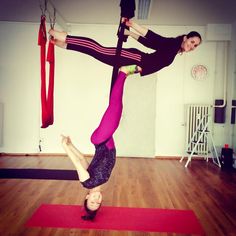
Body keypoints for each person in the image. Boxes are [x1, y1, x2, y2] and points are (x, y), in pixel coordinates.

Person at [61, 65, 138, 220]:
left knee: (116, 106)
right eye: (98, 203)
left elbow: (77, 162)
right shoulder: (98, 183)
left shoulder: (87, 182)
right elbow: (83, 158)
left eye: (92, 202)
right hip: (105, 141)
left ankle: (123, 72)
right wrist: (71, 144)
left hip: (102, 140)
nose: (96, 200)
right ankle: (121, 75)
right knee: (116, 107)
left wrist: (64, 146)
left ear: (86, 198)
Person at [49, 19, 202, 76]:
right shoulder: (173, 44)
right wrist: (132, 25)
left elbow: (149, 44)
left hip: (134, 62)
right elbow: (153, 37)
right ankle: (63, 36)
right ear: (185, 38)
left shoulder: (174, 50)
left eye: (195, 45)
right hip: (136, 58)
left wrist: (129, 33)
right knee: (98, 49)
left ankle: (65, 44)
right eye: (192, 41)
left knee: (97, 53)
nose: (192, 46)